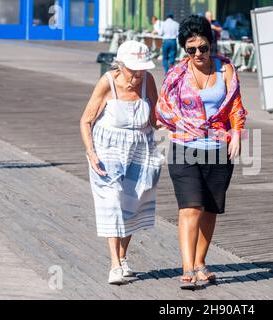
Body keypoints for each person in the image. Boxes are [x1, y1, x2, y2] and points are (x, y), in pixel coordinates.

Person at [156, 15, 247, 289]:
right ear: (185, 49)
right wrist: (175, 123)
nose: (198, 54)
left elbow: (235, 106)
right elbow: (163, 107)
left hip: (219, 148)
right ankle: (187, 268)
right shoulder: (176, 75)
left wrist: (237, 134)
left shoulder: (225, 69)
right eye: (191, 49)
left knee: (209, 209)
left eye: (203, 48)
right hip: (184, 147)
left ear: (211, 44)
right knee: (190, 208)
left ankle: (200, 263)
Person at [80, 40, 163, 285]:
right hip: (108, 149)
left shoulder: (148, 80)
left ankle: (123, 258)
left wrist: (176, 122)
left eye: (142, 68)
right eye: (133, 69)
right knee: (112, 201)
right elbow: (86, 120)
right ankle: (115, 264)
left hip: (141, 147)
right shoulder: (107, 82)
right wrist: (91, 153)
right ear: (120, 64)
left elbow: (155, 118)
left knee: (132, 204)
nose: (138, 74)